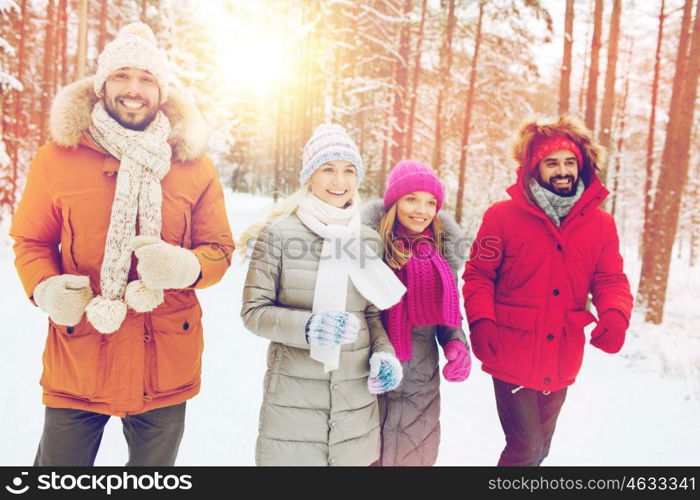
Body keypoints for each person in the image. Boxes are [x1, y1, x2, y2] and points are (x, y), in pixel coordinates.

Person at [10, 22, 233, 466]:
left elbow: (219, 249)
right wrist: (46, 289)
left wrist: (185, 267)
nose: (134, 89)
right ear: (102, 84)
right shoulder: (58, 157)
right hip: (80, 355)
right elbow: (30, 240)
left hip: (165, 359)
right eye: (122, 76)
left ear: (161, 90)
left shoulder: (193, 164)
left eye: (147, 79)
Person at [463, 115, 633, 466]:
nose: (562, 170)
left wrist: (615, 314)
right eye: (551, 162)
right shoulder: (501, 217)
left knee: (540, 450)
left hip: (562, 351)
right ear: (533, 168)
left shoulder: (601, 225)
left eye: (570, 162)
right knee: (524, 449)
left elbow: (610, 279)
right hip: (511, 348)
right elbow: (479, 274)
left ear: (581, 165)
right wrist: (481, 321)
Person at [239, 124, 405, 466]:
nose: (339, 181)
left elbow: (370, 315)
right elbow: (253, 312)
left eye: (348, 171)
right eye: (328, 169)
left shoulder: (366, 239)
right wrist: (309, 327)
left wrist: (384, 354)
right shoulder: (280, 236)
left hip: (355, 406)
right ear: (310, 177)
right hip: (294, 406)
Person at [362, 160, 472, 466]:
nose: (421, 210)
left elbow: (448, 312)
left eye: (430, 202)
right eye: (412, 199)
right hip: (370, 376)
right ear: (394, 202)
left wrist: (456, 343)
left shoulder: (440, 256)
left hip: (420, 384)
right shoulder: (368, 250)